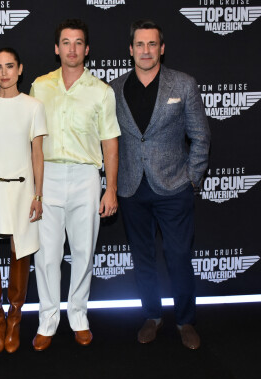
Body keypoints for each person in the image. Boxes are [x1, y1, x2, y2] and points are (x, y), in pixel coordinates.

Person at [109, 20, 210, 350]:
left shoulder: (183, 84)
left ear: (162, 48)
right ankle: (152, 316)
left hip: (173, 187)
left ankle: (185, 321)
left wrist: (192, 178)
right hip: (131, 188)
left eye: (152, 44)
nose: (146, 50)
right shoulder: (114, 88)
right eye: (140, 44)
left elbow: (200, 135)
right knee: (143, 258)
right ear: (130, 49)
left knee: (179, 256)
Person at [29, 18, 121, 351]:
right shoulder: (39, 87)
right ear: (57, 49)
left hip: (85, 177)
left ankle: (79, 317)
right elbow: (31, 138)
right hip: (48, 176)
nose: (72, 48)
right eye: (66, 42)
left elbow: (110, 142)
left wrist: (110, 188)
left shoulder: (102, 91)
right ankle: (47, 321)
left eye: (78, 42)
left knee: (83, 252)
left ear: (87, 49)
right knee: (48, 257)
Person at [0, 47, 47, 355]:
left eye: (10, 66)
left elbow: (37, 155)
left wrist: (38, 194)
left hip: (21, 189)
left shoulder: (33, 106)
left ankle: (15, 319)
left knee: (19, 253)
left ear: (20, 69)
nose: (4, 72)